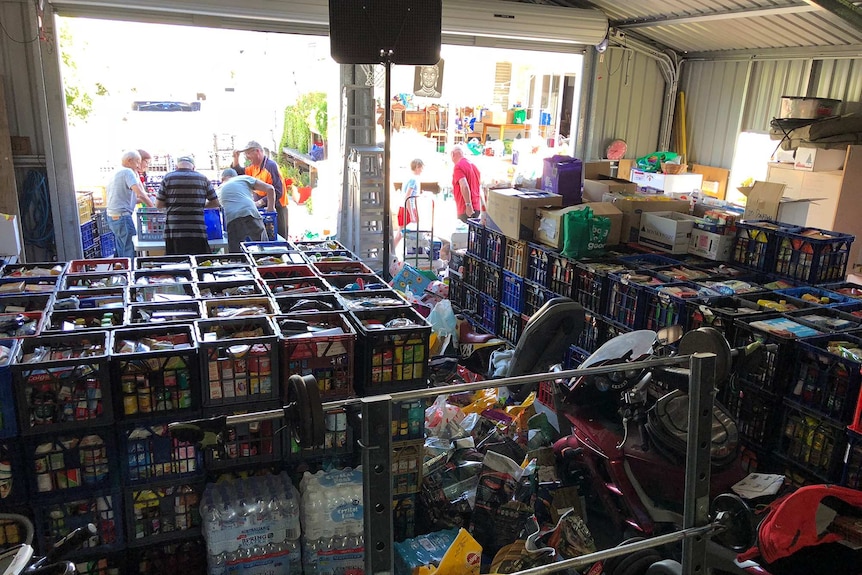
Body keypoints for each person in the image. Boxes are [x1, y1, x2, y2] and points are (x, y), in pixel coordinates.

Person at [155, 155, 220, 256]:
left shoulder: (168, 178)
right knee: (199, 263)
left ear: (177, 166)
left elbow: (159, 205)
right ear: (193, 167)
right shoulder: (203, 178)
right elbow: (215, 203)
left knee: (176, 264)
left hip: (174, 230)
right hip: (197, 230)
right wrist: (199, 205)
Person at [231, 140, 287, 240]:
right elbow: (238, 174)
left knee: (278, 240)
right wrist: (236, 158)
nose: (247, 156)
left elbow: (278, 191)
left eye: (248, 153)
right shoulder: (253, 167)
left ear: (257, 151)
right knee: (263, 240)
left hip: (277, 209)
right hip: (262, 210)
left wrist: (260, 202)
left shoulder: (270, 166)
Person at [105, 149, 155, 258]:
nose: (138, 165)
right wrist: (154, 208)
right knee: (130, 250)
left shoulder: (116, 172)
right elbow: (140, 194)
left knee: (122, 249)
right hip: (123, 217)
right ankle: (130, 273)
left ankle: (120, 273)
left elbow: (128, 198)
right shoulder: (128, 172)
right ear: (129, 160)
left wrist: (145, 199)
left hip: (113, 217)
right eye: (137, 161)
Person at [218, 168, 276, 253]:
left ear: (222, 179)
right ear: (236, 176)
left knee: (236, 257)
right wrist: (270, 209)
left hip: (233, 219)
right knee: (263, 250)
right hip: (250, 213)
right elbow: (270, 189)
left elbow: (212, 205)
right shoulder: (243, 178)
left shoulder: (219, 189)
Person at [450, 145, 481, 222]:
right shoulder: (474, 166)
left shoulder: (458, 166)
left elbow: (464, 186)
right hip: (476, 206)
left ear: (453, 154)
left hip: (465, 209)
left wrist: (468, 205)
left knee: (463, 232)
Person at [400, 158, 424, 227]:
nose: (422, 170)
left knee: (401, 233)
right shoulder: (413, 180)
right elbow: (408, 197)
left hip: (403, 208)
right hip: (409, 209)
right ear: (417, 167)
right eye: (421, 168)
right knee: (410, 233)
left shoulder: (408, 178)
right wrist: (412, 214)